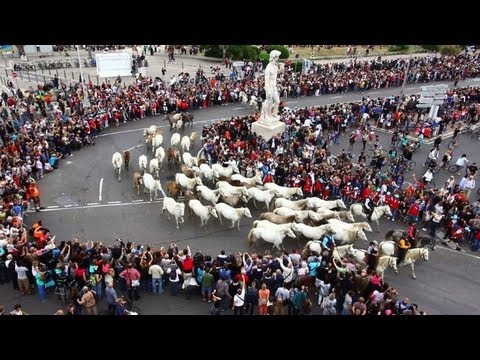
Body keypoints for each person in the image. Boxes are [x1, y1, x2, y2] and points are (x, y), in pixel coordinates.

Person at [260, 50, 282, 124]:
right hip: (269, 86)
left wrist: (281, 69)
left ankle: (274, 113)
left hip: (274, 86)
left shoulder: (275, 65)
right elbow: (266, 80)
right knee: (269, 101)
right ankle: (266, 115)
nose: (278, 58)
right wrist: (268, 90)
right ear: (274, 57)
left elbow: (275, 74)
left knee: (277, 101)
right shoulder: (268, 67)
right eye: (277, 57)